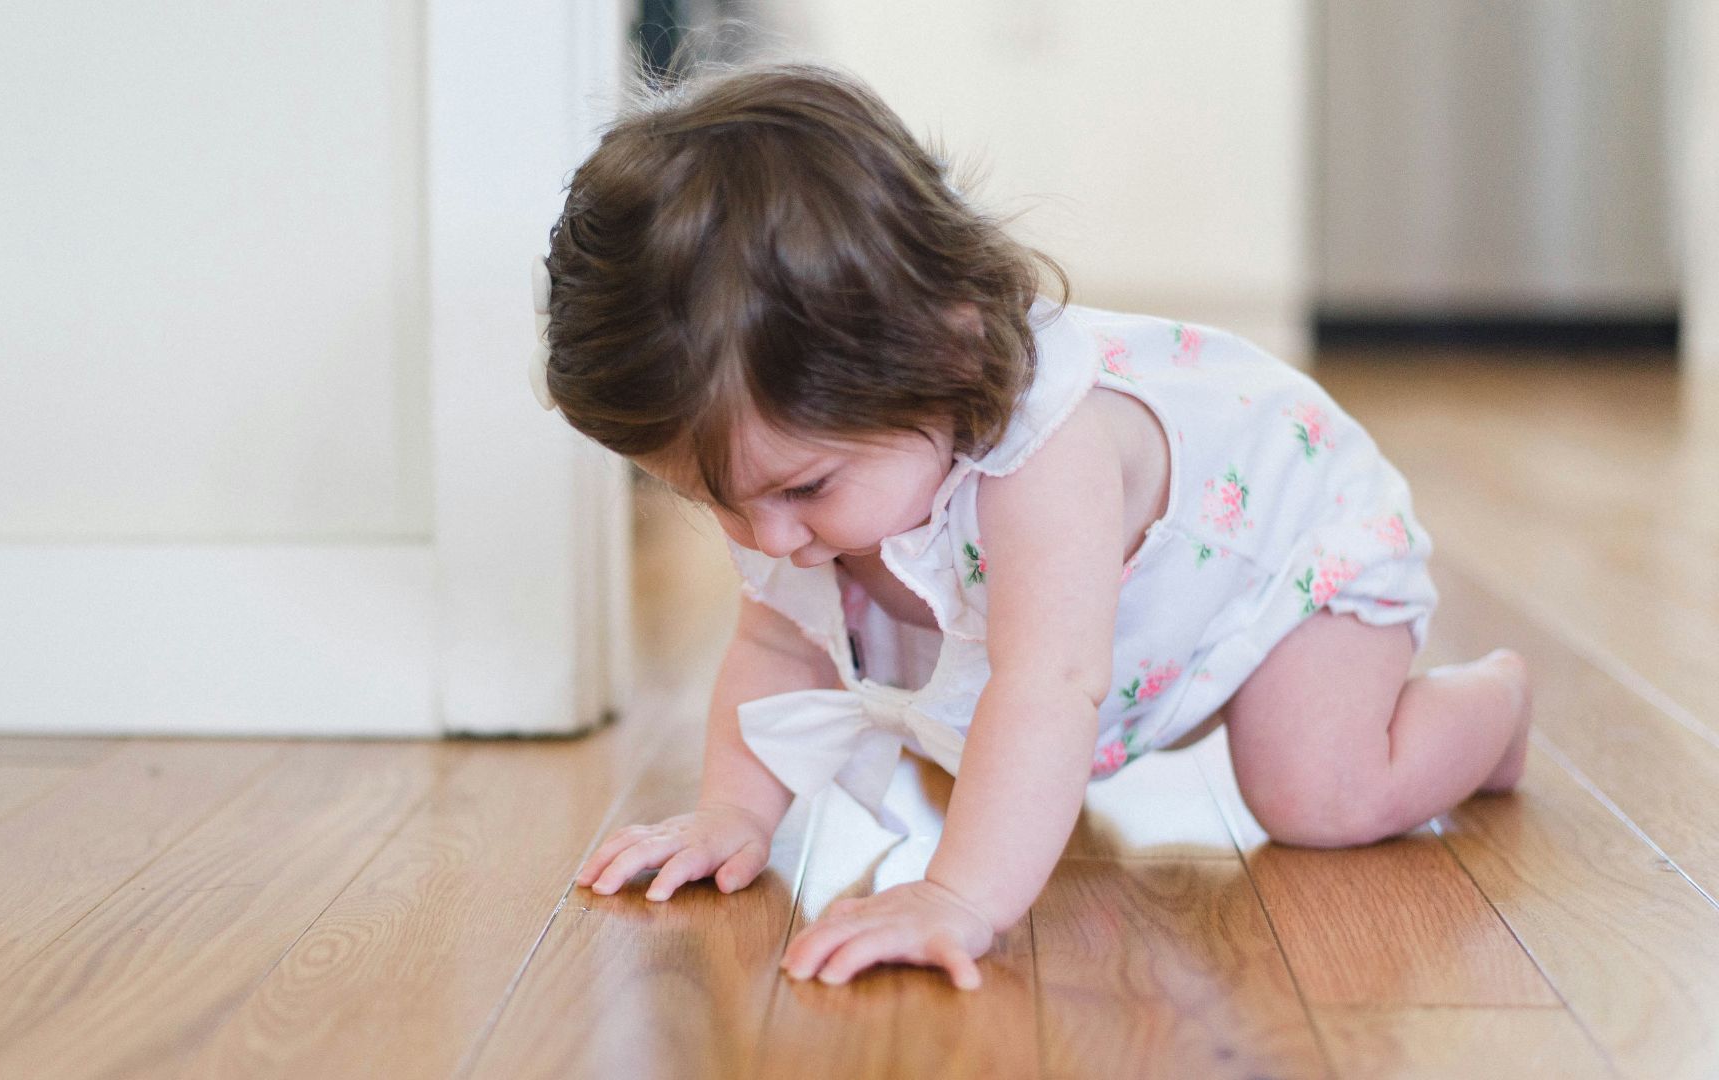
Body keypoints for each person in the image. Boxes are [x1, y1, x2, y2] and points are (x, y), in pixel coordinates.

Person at [537, 61, 1532, 991]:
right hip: (1135, 604)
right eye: (713, 500)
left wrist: (959, 895)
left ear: (950, 355)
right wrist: (732, 813)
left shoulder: (1046, 464)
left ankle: (1492, 712)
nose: (764, 537)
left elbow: (1051, 681)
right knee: (954, 724)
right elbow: (777, 646)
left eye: (803, 490)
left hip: (1282, 551)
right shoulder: (805, 472)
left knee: (1319, 797)